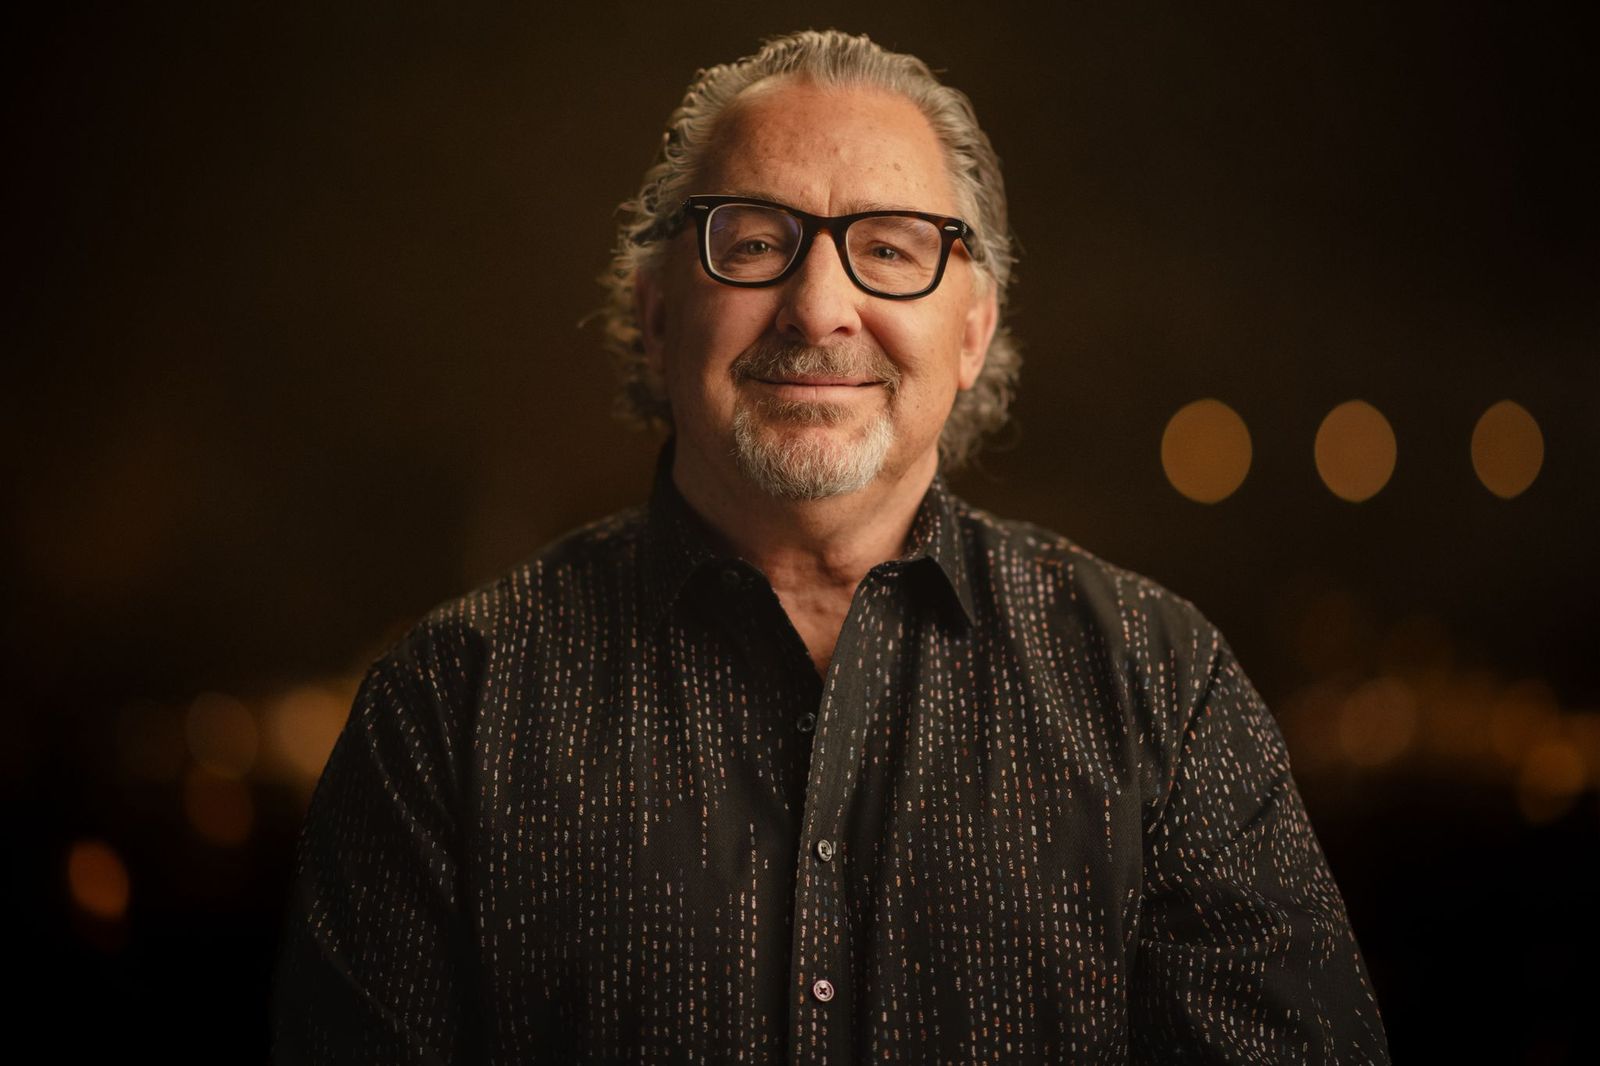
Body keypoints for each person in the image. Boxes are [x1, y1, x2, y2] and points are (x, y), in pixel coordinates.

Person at [270, 29, 1390, 1064]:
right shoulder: (445, 709)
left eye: (891, 249)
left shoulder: (1161, 687)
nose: (818, 307)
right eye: (755, 242)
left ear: (971, 329)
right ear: (658, 318)